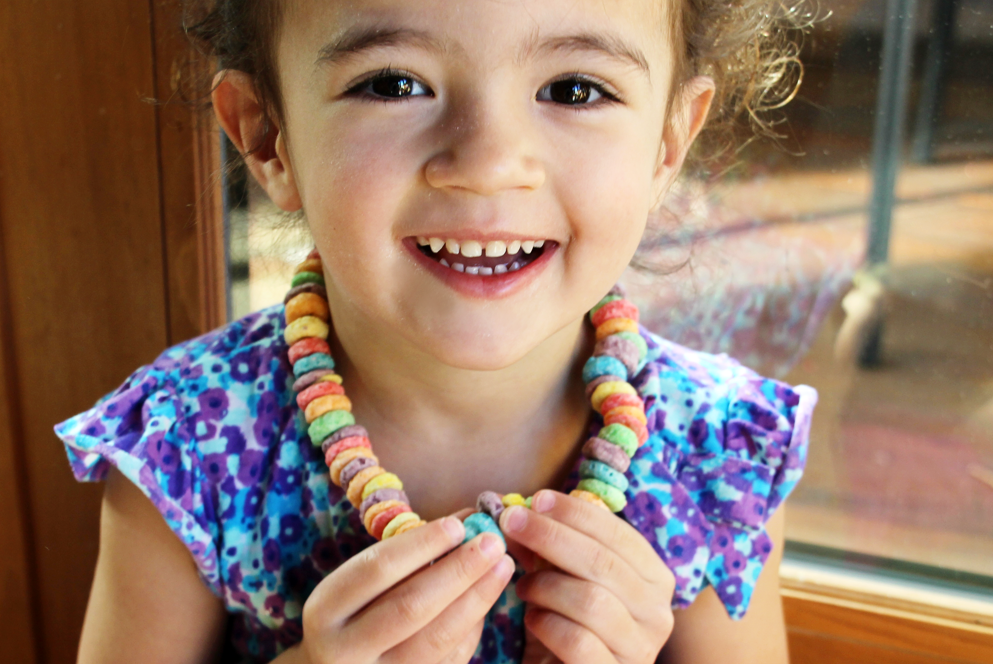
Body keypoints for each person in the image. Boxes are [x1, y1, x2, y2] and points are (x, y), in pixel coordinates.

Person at [55, 0, 817, 662]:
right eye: (393, 84)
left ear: (668, 144)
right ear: (266, 137)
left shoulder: (723, 458)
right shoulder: (184, 448)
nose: (487, 164)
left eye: (574, 89)